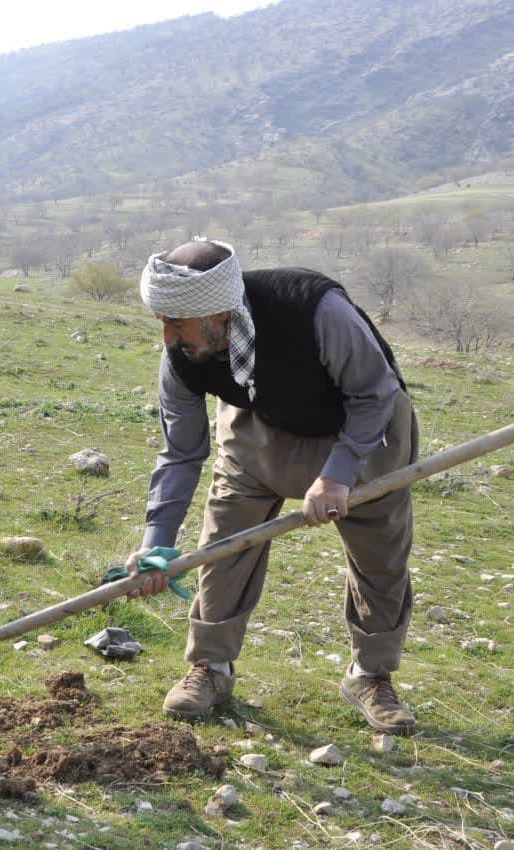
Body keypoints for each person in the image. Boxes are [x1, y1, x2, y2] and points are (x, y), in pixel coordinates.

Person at [126, 238, 418, 735]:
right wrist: (156, 544)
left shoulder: (316, 310)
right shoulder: (180, 356)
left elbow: (374, 393)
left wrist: (336, 475)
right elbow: (180, 452)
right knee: (224, 546)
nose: (168, 337)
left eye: (176, 323)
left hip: (361, 432)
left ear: (217, 313)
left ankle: (370, 675)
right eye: (162, 321)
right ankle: (211, 667)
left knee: (380, 558)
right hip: (259, 429)